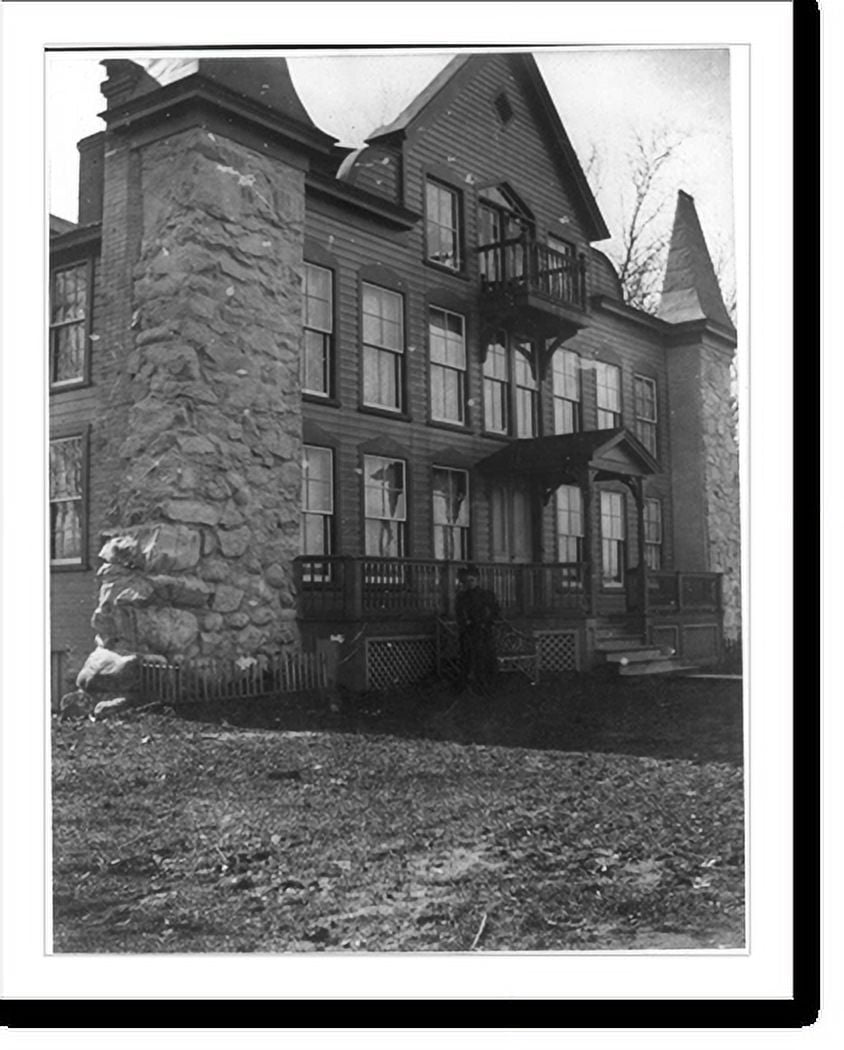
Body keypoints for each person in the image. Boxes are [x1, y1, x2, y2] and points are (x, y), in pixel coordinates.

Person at [455, 564, 500, 691]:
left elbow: (495, 611)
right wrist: (465, 624)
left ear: (477, 580)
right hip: (469, 632)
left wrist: (487, 622)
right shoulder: (462, 597)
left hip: (484, 631)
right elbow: (459, 615)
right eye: (466, 581)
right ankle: (468, 684)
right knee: (467, 658)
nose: (469, 583)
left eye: (472, 580)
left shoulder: (486, 595)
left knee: (485, 657)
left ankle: (487, 684)